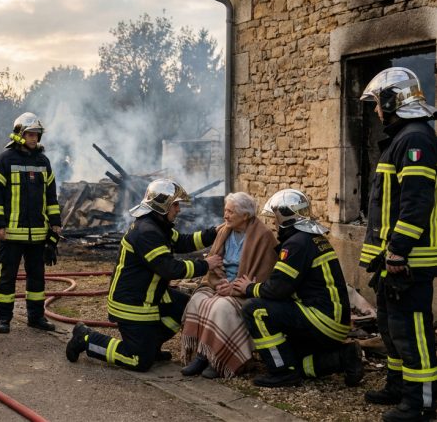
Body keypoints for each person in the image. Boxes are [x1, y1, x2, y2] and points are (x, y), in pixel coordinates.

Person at [65, 179, 222, 372]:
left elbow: (183, 242)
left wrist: (213, 233)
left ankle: (150, 345)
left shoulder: (157, 226)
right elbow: (170, 269)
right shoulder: (147, 232)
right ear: (162, 206)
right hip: (132, 304)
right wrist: (205, 265)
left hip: (149, 296)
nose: (179, 209)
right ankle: (87, 338)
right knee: (138, 360)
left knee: (183, 307)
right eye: (175, 204)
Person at [357, 67, 437, 422]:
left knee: (413, 330)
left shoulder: (415, 139)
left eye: (377, 103)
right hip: (394, 259)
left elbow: (416, 202)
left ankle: (421, 402)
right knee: (391, 327)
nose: (376, 110)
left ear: (393, 101)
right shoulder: (402, 138)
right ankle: (397, 386)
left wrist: (398, 250)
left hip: (410, 259)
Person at [232, 188, 363, 388]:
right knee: (295, 359)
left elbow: (277, 289)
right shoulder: (312, 238)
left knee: (254, 309)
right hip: (334, 321)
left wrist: (250, 288)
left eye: (275, 218)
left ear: (286, 218)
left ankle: (281, 372)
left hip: (321, 319)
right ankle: (344, 357)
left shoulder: (296, 244)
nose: (274, 224)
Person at [180, 192, 278, 379]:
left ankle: (219, 360)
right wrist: (220, 282)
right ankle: (202, 355)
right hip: (221, 282)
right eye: (225, 210)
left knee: (220, 306)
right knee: (197, 300)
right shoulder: (225, 230)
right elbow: (214, 262)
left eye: (231, 212)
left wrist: (234, 287)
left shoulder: (263, 236)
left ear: (246, 215)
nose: (225, 215)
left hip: (244, 290)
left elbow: (264, 275)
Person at [0, 112, 61, 333]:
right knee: (7, 277)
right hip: (11, 233)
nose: (34, 139)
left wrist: (55, 223)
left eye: (36, 135)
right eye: (30, 134)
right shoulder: (4, 160)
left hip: (38, 234)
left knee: (37, 278)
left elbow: (51, 195)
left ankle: (36, 317)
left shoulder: (43, 161)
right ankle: (4, 318)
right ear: (19, 134)